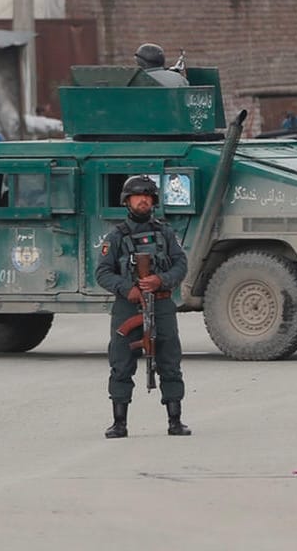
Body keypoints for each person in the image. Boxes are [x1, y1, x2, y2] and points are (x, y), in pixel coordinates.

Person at [95, 175, 190, 439]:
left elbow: (180, 265)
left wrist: (161, 279)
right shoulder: (115, 237)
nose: (143, 200)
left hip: (161, 304)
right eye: (138, 196)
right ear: (127, 201)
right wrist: (129, 289)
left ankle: (175, 420)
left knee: (170, 361)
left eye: (148, 196)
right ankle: (119, 423)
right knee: (121, 363)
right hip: (128, 307)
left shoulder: (165, 233)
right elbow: (102, 273)